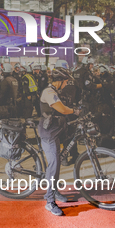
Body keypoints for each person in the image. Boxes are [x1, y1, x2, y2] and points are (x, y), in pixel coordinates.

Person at [38, 60, 78, 216]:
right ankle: (49, 201)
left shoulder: (57, 90)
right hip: (48, 133)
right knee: (54, 164)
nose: (66, 84)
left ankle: (54, 191)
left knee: (57, 163)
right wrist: (75, 111)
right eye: (66, 81)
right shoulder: (49, 92)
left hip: (57, 130)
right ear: (60, 81)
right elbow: (61, 109)